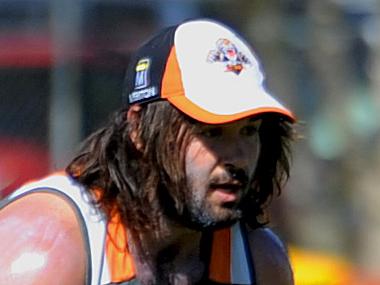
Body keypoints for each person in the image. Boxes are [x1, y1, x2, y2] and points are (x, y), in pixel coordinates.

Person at [0, 19, 296, 285]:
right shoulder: (45, 250)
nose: (237, 157)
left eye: (249, 131)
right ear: (139, 130)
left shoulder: (261, 262)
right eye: (210, 132)